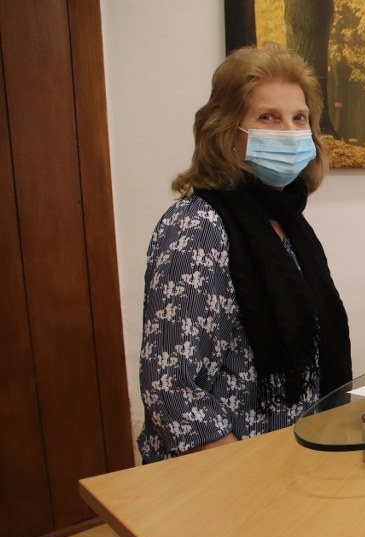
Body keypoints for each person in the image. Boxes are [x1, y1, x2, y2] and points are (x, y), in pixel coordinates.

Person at [137, 43, 352, 463]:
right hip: (225, 472)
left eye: (299, 118)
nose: (288, 131)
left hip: (290, 458)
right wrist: (244, 473)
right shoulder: (196, 225)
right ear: (226, 131)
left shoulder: (288, 224)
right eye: (267, 117)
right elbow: (171, 387)